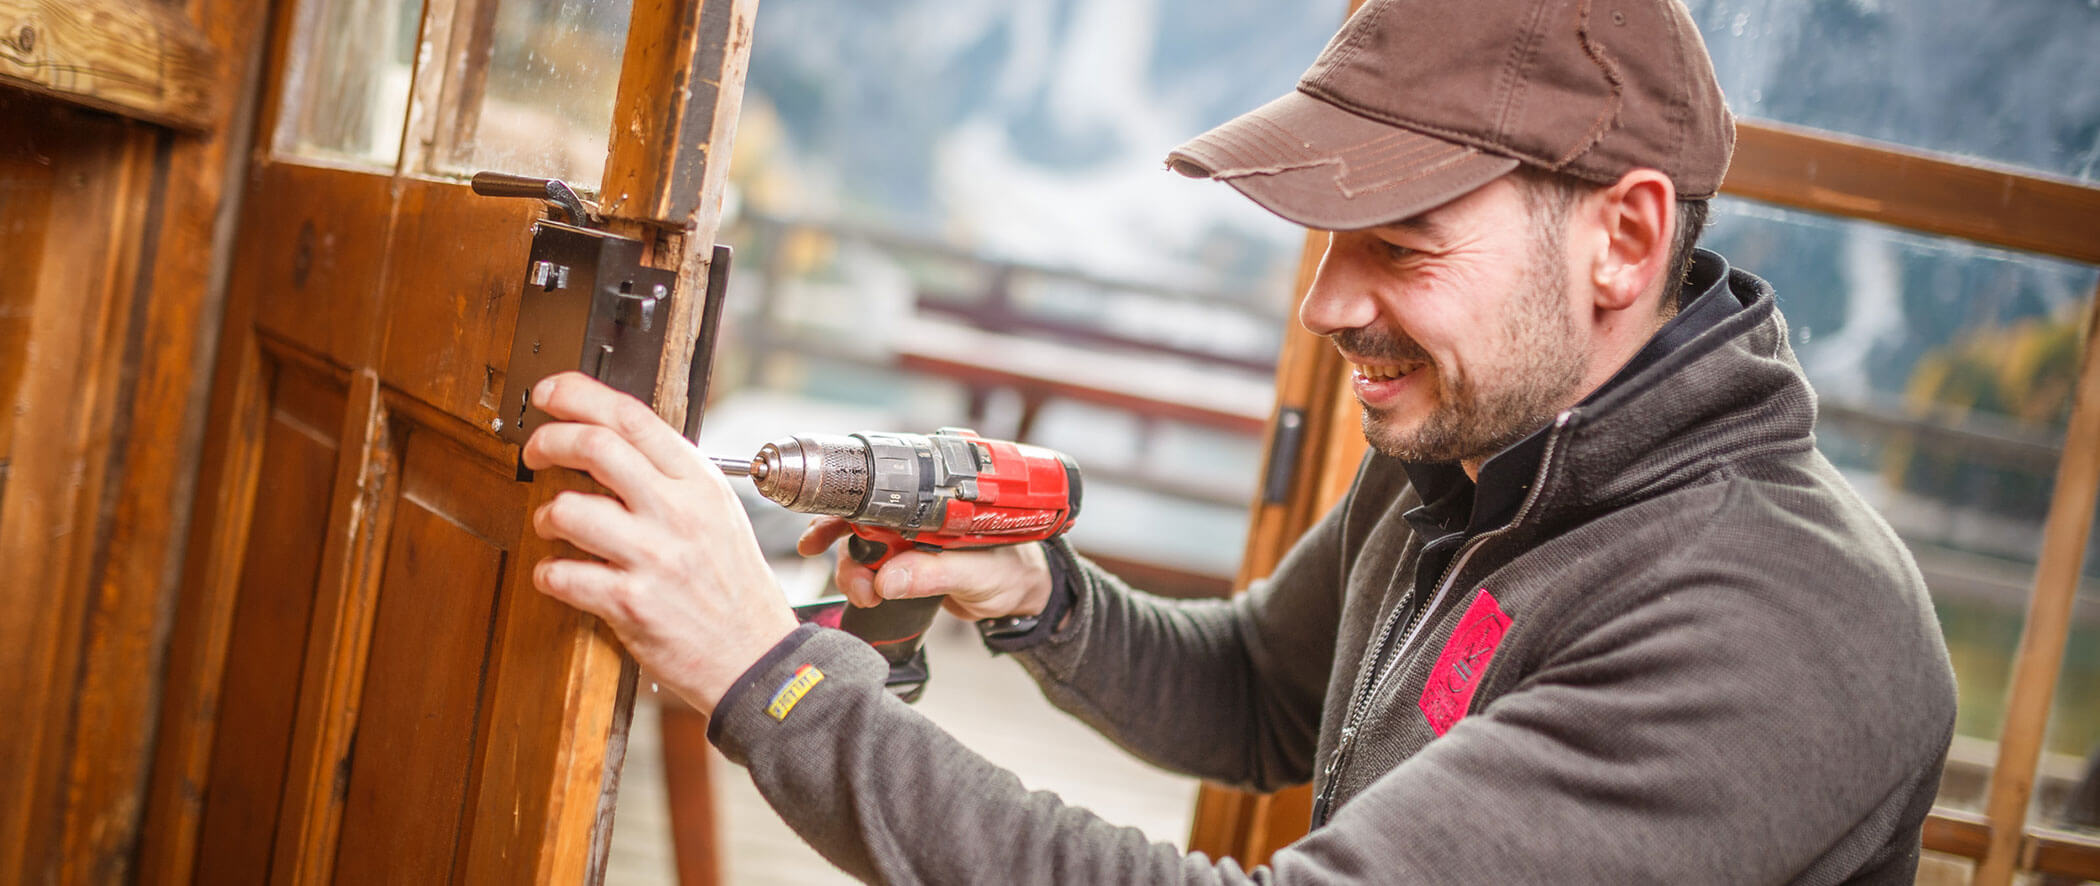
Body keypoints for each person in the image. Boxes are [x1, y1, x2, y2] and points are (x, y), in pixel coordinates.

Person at [519, 0, 1958, 881]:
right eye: (1332, 239)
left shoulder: (1769, 627)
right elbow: (1265, 693)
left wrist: (772, 677)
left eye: (1398, 244)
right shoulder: (1483, 451)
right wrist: (1043, 597)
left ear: (1623, 239)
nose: (1331, 301)